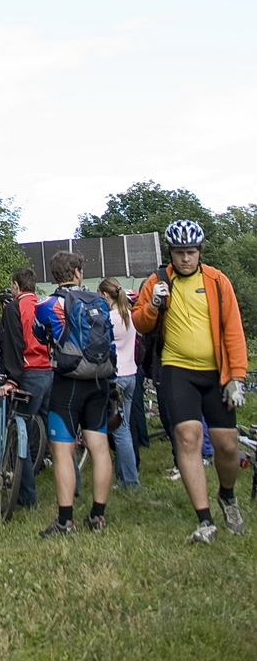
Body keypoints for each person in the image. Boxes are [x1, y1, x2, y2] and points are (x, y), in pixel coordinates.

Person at [132, 219, 249, 543]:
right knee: (187, 436)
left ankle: (227, 495)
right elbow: (140, 323)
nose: (185, 258)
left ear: (200, 252)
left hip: (216, 373)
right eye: (179, 252)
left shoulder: (216, 281)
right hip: (177, 369)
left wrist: (237, 376)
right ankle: (204, 519)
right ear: (170, 252)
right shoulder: (157, 281)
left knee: (227, 445)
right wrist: (153, 305)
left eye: (191, 252)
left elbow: (233, 330)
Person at [33, 253, 115, 536]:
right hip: (99, 379)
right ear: (78, 273)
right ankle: (98, 515)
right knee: (99, 447)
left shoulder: (46, 305)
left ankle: (65, 520)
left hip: (67, 382)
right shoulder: (99, 302)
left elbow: (40, 336)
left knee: (62, 451)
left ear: (54, 275)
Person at [0, 266, 52, 508]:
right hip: (49, 371)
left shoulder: (14, 308)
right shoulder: (44, 305)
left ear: (16, 285)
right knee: (56, 433)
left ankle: (25, 495)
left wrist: (12, 378)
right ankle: (73, 486)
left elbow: (14, 345)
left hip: (29, 373)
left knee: (18, 433)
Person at [98, 277, 140, 489]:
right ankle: (123, 475)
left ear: (106, 296)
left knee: (119, 431)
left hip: (118, 377)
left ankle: (130, 479)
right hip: (131, 373)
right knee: (125, 427)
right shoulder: (129, 315)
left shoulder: (110, 319)